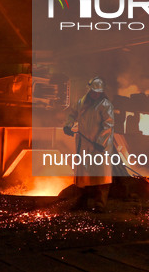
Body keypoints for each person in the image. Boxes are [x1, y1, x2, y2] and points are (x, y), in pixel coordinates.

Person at [63, 76, 114, 213]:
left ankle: (100, 205)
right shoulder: (81, 102)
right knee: (82, 176)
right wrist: (68, 125)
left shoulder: (105, 104)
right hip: (84, 143)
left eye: (98, 92)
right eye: (93, 92)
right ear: (89, 90)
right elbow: (72, 114)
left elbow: (108, 125)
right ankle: (81, 202)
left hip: (99, 147)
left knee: (101, 176)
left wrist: (101, 142)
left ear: (101, 92)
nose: (95, 94)